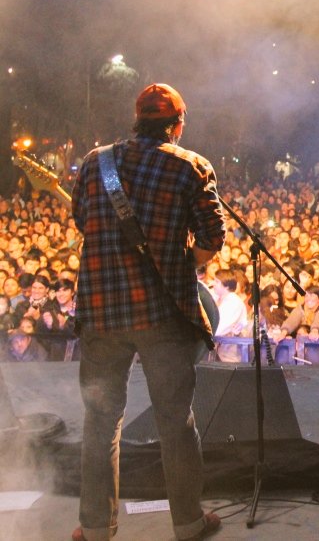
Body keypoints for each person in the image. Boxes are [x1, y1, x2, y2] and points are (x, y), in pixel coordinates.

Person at [71, 83, 225, 541]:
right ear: (177, 125)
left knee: (100, 422)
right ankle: (189, 523)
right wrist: (179, 265)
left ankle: (96, 529)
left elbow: (81, 220)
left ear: (136, 120)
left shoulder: (96, 163)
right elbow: (212, 237)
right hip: (162, 314)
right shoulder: (190, 166)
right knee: (175, 421)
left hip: (100, 313)